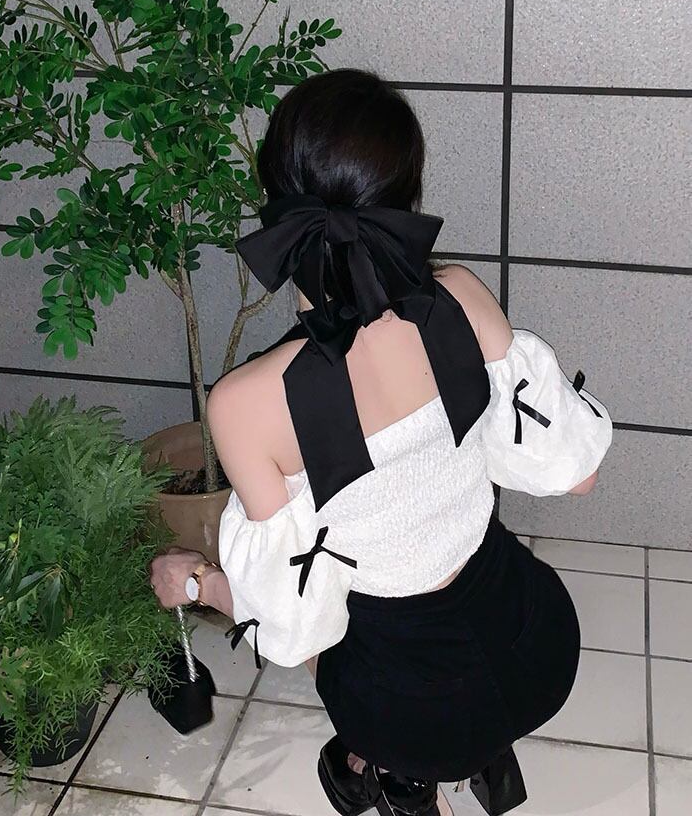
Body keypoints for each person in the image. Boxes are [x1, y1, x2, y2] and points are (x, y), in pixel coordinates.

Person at [150, 68, 613, 816]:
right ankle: (472, 760)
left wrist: (194, 581)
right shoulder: (460, 296)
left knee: (344, 637)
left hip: (410, 711)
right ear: (406, 202)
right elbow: (577, 475)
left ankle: (397, 771)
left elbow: (294, 633)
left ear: (275, 208)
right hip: (536, 646)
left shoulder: (246, 406)